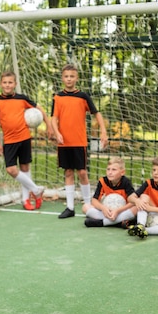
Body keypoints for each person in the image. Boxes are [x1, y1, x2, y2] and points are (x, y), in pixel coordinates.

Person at [52, 64, 108, 218]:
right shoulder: (57, 97)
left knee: (82, 172)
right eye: (66, 76)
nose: (69, 79)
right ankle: (70, 208)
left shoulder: (83, 96)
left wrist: (103, 131)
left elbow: (97, 113)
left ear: (76, 78)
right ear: (62, 78)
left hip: (79, 142)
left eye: (72, 76)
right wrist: (56, 132)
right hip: (64, 142)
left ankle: (88, 204)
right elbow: (53, 118)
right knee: (68, 172)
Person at [0, 71, 53, 210]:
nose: (7, 85)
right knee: (11, 169)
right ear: (1, 84)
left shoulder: (22, 99)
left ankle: (26, 200)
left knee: (25, 168)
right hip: (9, 140)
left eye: (10, 82)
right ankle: (36, 190)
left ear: (15, 84)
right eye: (5, 82)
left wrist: (48, 125)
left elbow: (40, 110)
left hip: (24, 138)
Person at [82, 157, 144, 227]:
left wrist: (117, 211)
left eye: (114, 170)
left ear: (122, 172)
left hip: (122, 211)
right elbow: (94, 200)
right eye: (108, 169)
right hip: (107, 211)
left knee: (136, 208)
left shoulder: (126, 182)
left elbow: (132, 202)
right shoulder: (103, 181)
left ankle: (102, 222)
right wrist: (103, 208)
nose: (110, 172)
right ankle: (118, 222)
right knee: (85, 207)